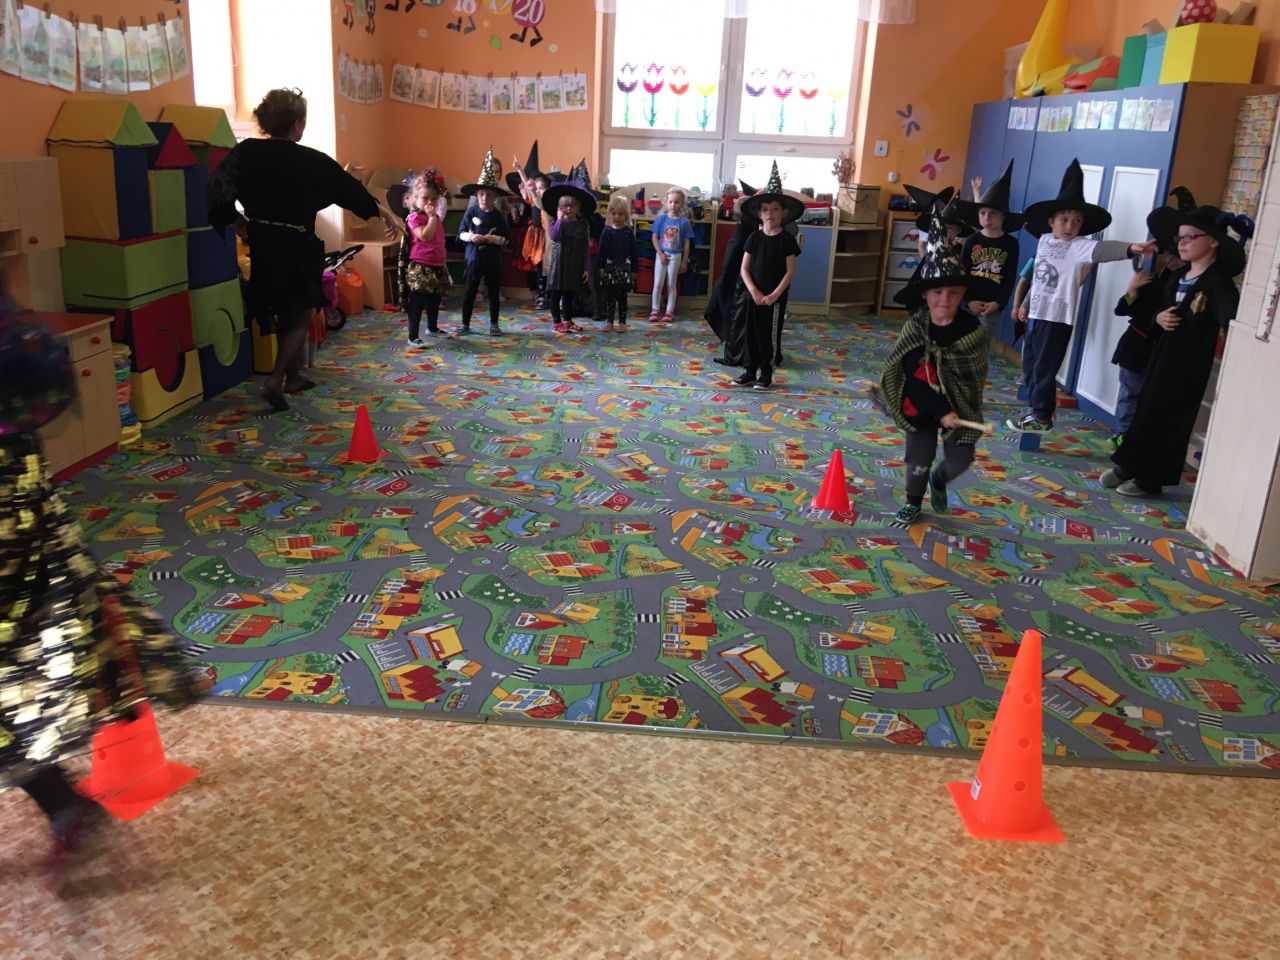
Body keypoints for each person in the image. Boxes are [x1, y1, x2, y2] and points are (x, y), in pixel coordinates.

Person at [0, 305, 208, 893]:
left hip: (17, 530)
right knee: (39, 646)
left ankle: (63, 801)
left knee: (29, 657)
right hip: (28, 517)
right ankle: (63, 801)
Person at [209, 88, 388, 412]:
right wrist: (380, 212)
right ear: (296, 124)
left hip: (262, 242)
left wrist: (235, 221)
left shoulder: (245, 152)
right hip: (296, 244)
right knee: (301, 314)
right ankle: (276, 379)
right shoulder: (310, 160)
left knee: (282, 309)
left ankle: (292, 378)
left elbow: (217, 188)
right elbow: (349, 190)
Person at [1103, 200, 1248, 497]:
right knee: (1146, 411)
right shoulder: (1179, 277)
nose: (1182, 243)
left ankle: (1150, 479)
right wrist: (1157, 317)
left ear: (1213, 242)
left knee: (1170, 421)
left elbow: (1230, 319)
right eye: (1180, 238)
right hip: (1161, 358)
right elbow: (1158, 307)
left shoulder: (1217, 283)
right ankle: (1129, 464)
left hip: (1187, 367)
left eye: (1190, 237)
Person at [1010, 158, 1157, 433]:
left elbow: (1103, 250)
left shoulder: (1079, 246)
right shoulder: (1045, 240)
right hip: (1037, 314)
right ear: (1051, 222)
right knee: (1030, 364)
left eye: (1076, 221)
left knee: (1044, 368)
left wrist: (1132, 248)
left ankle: (1042, 417)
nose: (1070, 226)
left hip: (1057, 318)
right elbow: (1040, 278)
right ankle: (1035, 408)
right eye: (1064, 220)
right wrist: (1026, 303)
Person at [879, 211, 995, 524]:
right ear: (924, 294)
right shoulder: (916, 329)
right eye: (937, 292)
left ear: (963, 294)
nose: (945, 299)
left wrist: (954, 409)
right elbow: (911, 379)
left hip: (961, 404)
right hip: (920, 402)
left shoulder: (973, 333)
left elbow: (972, 377)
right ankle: (913, 501)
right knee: (918, 460)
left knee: (961, 459)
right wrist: (941, 411)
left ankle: (940, 479)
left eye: (953, 292)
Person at [1107, 187, 1193, 446]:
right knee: (1130, 394)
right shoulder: (1152, 279)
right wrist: (1132, 289)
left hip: (1162, 350)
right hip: (1136, 348)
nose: (1174, 262)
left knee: (1150, 397)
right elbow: (1123, 309)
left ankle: (1137, 438)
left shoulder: (1183, 282)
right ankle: (1125, 435)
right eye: (1171, 257)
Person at [732, 162, 803, 392]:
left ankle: (765, 373)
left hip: (774, 299)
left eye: (774, 209)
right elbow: (744, 268)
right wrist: (753, 291)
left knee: (768, 336)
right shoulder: (754, 238)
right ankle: (749, 371)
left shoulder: (787, 240)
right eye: (765, 209)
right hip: (753, 296)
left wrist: (774, 295)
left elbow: (790, 271)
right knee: (750, 334)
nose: (769, 214)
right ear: (759, 214)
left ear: (784, 213)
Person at [956, 160, 1024, 331]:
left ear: (1003, 217)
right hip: (968, 304)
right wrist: (966, 301)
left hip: (991, 307)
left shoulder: (1011, 244)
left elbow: (1009, 278)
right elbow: (960, 274)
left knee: (981, 341)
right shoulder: (971, 241)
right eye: (983, 213)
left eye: (993, 213)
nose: (987, 217)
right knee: (960, 340)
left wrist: (998, 303)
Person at [457, 146, 511, 336]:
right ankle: (465, 324)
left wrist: (493, 239)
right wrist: (471, 236)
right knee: (470, 291)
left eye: (488, 195)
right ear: (476, 195)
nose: (484, 198)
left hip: (492, 259)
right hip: (473, 258)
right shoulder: (471, 212)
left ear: (495, 197)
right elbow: (460, 233)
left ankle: (494, 324)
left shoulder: (498, 216)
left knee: (494, 291)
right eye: (481, 194)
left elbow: (506, 238)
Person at [707, 180, 760, 363]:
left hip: (738, 285)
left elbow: (731, 264)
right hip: (739, 283)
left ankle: (735, 354)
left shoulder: (744, 235)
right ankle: (735, 351)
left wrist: (723, 283)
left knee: (735, 316)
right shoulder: (749, 232)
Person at [401, 170, 452, 345]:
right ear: (415, 198)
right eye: (425, 198)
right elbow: (425, 236)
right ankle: (413, 336)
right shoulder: (414, 218)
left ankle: (432, 327)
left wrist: (443, 262)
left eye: (434, 199)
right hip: (420, 266)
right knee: (417, 303)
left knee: (434, 300)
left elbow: (439, 242)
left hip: (436, 265)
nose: (430, 202)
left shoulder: (435, 218)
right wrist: (431, 218)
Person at [542, 177, 594, 334]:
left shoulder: (583, 224)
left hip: (575, 264)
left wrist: (586, 268)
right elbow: (555, 237)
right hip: (559, 264)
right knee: (556, 293)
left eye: (572, 205)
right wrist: (559, 220)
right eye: (564, 206)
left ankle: (567, 320)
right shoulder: (557, 223)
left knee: (569, 294)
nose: (568, 209)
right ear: (559, 208)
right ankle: (556, 322)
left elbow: (586, 247)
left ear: (578, 207)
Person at [510, 142, 551, 307]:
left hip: (547, 237)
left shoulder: (546, 202)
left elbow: (531, 188)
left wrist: (522, 172)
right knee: (538, 265)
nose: (538, 190)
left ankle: (546, 294)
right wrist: (520, 169)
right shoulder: (534, 200)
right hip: (536, 237)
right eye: (536, 188)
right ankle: (539, 294)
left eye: (541, 188)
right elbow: (529, 188)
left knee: (546, 266)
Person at [649, 187, 695, 324]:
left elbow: (686, 243)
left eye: (676, 202)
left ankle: (669, 311)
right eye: (670, 202)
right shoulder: (661, 219)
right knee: (658, 283)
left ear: (682, 204)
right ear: (666, 202)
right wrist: (660, 253)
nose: (673, 205)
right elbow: (654, 237)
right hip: (661, 254)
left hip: (676, 256)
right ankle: (655, 310)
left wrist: (684, 261)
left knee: (671, 284)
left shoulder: (684, 222)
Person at [597, 195, 638, 332]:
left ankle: (622, 322)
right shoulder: (606, 232)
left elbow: (634, 252)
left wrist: (634, 270)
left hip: (624, 268)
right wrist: (600, 267)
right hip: (609, 268)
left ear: (626, 215)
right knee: (610, 296)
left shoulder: (628, 232)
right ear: (609, 214)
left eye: (620, 214)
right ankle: (609, 320)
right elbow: (601, 251)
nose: (617, 217)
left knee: (622, 296)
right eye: (614, 213)